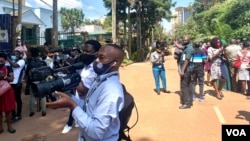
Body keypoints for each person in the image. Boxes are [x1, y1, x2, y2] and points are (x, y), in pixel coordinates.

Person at [47, 43, 125, 141]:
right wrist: (70, 97)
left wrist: (72, 105)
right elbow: (89, 108)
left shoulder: (111, 90)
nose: (96, 61)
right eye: (97, 57)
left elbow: (96, 132)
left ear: (116, 62)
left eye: (102, 58)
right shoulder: (100, 80)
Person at [61, 40, 101, 134]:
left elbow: (82, 91)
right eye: (83, 51)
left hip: (90, 107)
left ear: (97, 53)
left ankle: (69, 124)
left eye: (87, 52)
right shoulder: (86, 64)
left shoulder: (96, 68)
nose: (84, 54)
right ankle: (70, 124)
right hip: (81, 102)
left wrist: (73, 74)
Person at [25, 48, 47, 117]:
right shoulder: (43, 62)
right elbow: (46, 71)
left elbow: (27, 74)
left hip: (33, 82)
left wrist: (28, 83)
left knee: (32, 96)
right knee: (43, 96)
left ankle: (32, 111)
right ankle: (43, 110)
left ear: (32, 54)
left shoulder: (30, 64)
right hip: (42, 81)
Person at [175, 36, 195, 109]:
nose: (184, 41)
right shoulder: (186, 46)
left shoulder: (189, 49)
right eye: (183, 40)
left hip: (187, 70)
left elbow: (187, 60)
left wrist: (182, 70)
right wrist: (176, 43)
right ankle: (189, 101)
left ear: (189, 40)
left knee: (184, 86)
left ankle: (186, 103)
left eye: (185, 40)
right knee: (188, 85)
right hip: (187, 69)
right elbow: (181, 47)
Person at [7, 50, 26, 123]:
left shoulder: (22, 61)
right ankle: (13, 114)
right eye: (13, 54)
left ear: (20, 55)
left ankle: (18, 115)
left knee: (18, 99)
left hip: (17, 83)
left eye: (17, 54)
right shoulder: (10, 61)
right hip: (10, 83)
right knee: (11, 99)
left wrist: (7, 58)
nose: (15, 55)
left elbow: (14, 65)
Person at [0, 53, 16, 134]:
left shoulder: (8, 68)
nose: (0, 62)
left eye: (1, 61)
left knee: (8, 110)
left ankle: (10, 127)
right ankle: (0, 127)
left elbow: (12, 79)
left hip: (6, 91)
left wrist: (4, 77)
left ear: (5, 60)